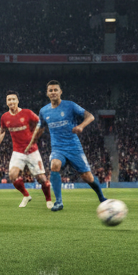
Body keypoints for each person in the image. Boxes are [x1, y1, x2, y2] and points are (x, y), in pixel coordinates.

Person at [38, 80, 108, 212]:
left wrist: (81, 126)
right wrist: (32, 140)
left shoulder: (70, 106)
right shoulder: (43, 111)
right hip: (58, 148)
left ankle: (101, 197)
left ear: (60, 92)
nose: (53, 92)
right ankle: (58, 202)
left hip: (74, 147)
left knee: (88, 177)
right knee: (54, 165)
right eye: (50, 90)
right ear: (47, 93)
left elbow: (90, 116)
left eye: (55, 90)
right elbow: (40, 127)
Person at [0, 91, 53, 208]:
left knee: (42, 179)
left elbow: (41, 124)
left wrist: (35, 137)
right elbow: (1, 131)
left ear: (17, 101)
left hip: (32, 151)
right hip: (18, 152)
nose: (11, 102)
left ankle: (48, 200)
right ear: (6, 102)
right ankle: (26, 195)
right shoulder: (5, 117)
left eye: (13, 99)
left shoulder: (27, 113)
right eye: (9, 100)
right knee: (12, 175)